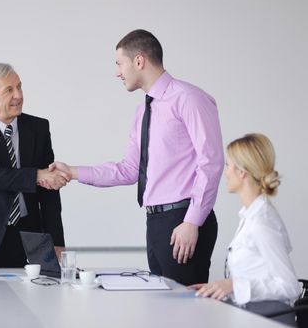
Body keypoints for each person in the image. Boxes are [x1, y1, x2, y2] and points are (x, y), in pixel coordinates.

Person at [49, 29, 224, 285]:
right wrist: (72, 172)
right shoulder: (143, 110)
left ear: (139, 61)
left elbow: (212, 161)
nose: (117, 72)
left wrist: (192, 221)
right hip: (156, 223)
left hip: (183, 219)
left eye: (119, 64)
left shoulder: (189, 98)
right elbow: (129, 169)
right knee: (162, 311)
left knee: (186, 315)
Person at [0, 63, 69, 268]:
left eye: (19, 86)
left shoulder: (38, 127)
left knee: (43, 295)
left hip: (30, 232)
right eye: (9, 90)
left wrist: (57, 240)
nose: (18, 95)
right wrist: (36, 175)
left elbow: (49, 191)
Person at [190, 133, 300, 324]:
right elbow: (254, 273)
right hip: (252, 316)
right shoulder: (250, 216)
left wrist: (233, 286)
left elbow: (290, 287)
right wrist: (218, 288)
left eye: (228, 166)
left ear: (242, 172)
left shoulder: (262, 222)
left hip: (269, 320)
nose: (225, 172)